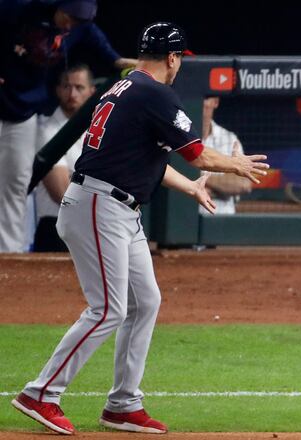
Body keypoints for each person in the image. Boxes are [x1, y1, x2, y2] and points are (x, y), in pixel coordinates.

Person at [10, 22, 268, 435]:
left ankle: (123, 404)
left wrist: (188, 188)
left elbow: (145, 157)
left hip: (115, 206)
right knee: (108, 309)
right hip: (99, 204)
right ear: (171, 58)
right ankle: (41, 392)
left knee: (145, 300)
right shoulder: (154, 93)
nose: (180, 64)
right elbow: (197, 155)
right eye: (180, 57)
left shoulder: (125, 87)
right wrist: (236, 163)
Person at [0, 0, 136, 253]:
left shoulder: (80, 27)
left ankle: (8, 254)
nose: (71, 24)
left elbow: (105, 51)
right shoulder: (19, 9)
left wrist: (122, 62)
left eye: (79, 20)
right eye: (69, 16)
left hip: (22, 111)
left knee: (15, 186)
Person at [32, 64, 96, 252]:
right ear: (58, 90)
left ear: (92, 92)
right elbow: (61, 191)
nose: (72, 93)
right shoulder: (47, 131)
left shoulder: (98, 131)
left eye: (79, 87)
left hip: (92, 226)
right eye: (67, 87)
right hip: (56, 228)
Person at [200, 96, 252, 215]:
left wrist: (199, 179)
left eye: (207, 98)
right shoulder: (179, 137)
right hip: (187, 221)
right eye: (201, 98)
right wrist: (221, 187)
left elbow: (243, 184)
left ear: (215, 102)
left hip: (222, 221)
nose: (203, 103)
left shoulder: (229, 139)